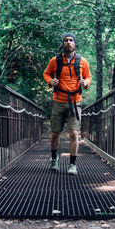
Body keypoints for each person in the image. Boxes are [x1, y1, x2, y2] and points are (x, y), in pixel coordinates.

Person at [43, 33, 92, 175]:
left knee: (74, 133)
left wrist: (86, 82)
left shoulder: (82, 61)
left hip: (75, 101)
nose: (68, 42)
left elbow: (88, 76)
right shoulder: (55, 60)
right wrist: (50, 81)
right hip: (58, 100)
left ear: (74, 44)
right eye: (66, 40)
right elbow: (46, 73)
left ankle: (72, 165)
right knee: (54, 133)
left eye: (71, 40)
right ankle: (54, 159)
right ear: (63, 44)